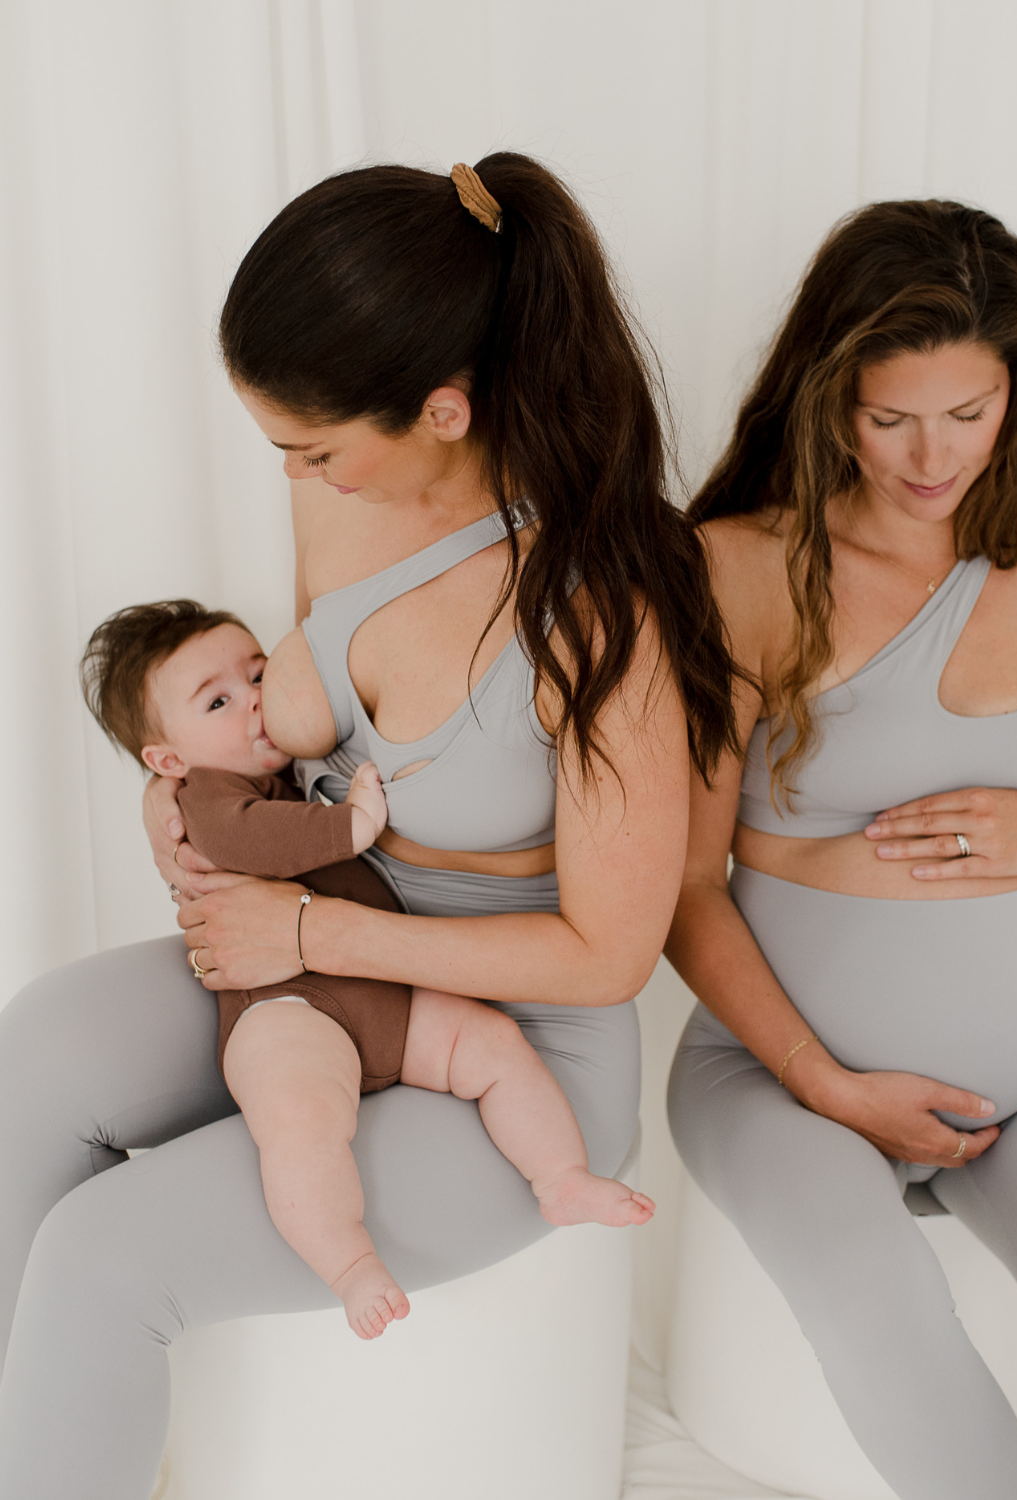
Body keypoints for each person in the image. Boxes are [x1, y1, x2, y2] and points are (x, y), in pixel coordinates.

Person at [0, 156, 736, 1498]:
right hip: (326, 955)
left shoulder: (599, 611)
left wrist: (310, 921)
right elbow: (293, 729)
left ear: (445, 407)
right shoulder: (346, 500)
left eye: (316, 447)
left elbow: (606, 959)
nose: (295, 475)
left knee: (103, 1259)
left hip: (511, 1053)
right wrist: (188, 804)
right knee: (35, 1049)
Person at [666, 200, 1017, 1500]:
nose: (929, 455)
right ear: (828, 392)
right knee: (882, 1310)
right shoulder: (739, 569)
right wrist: (831, 1085)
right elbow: (679, 891)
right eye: (890, 415)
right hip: (783, 1079)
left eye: (968, 414)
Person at [79, 600, 655, 1341]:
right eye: (218, 701)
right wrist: (351, 823)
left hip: (381, 996)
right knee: (301, 1125)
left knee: (493, 1048)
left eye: (259, 674)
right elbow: (255, 840)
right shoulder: (206, 800)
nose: (255, 699)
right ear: (168, 762)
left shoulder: (283, 769)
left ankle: (559, 1176)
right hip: (287, 1013)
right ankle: (348, 1261)